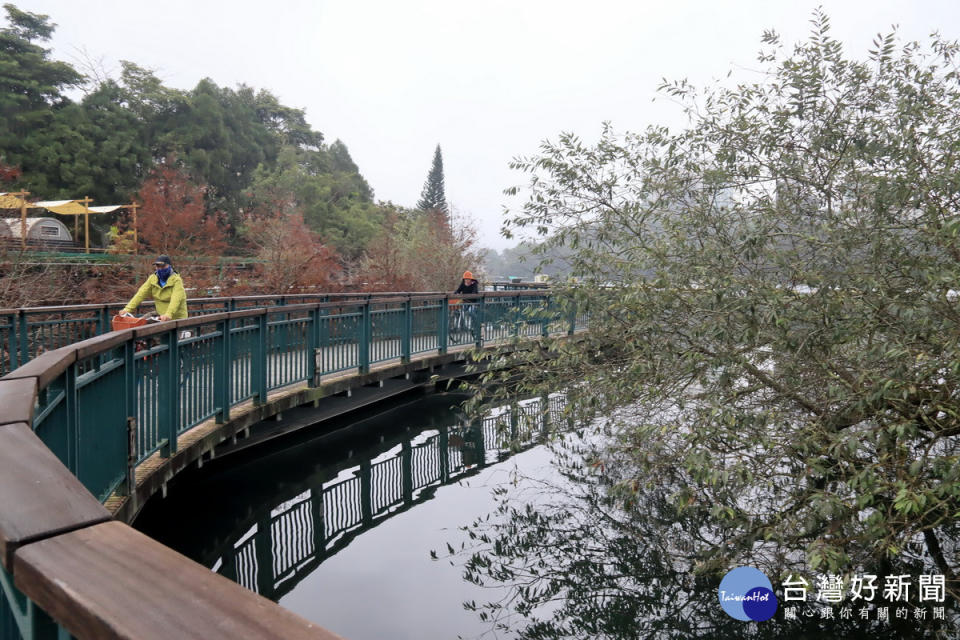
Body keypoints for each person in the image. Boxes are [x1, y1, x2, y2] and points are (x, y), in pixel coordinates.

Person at [121, 255, 188, 321]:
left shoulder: (176, 280)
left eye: (163, 266)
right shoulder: (153, 279)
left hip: (177, 319)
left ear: (169, 266)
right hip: (160, 316)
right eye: (158, 266)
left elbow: (176, 300)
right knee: (141, 323)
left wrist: (169, 314)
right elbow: (140, 294)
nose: (160, 269)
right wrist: (127, 309)